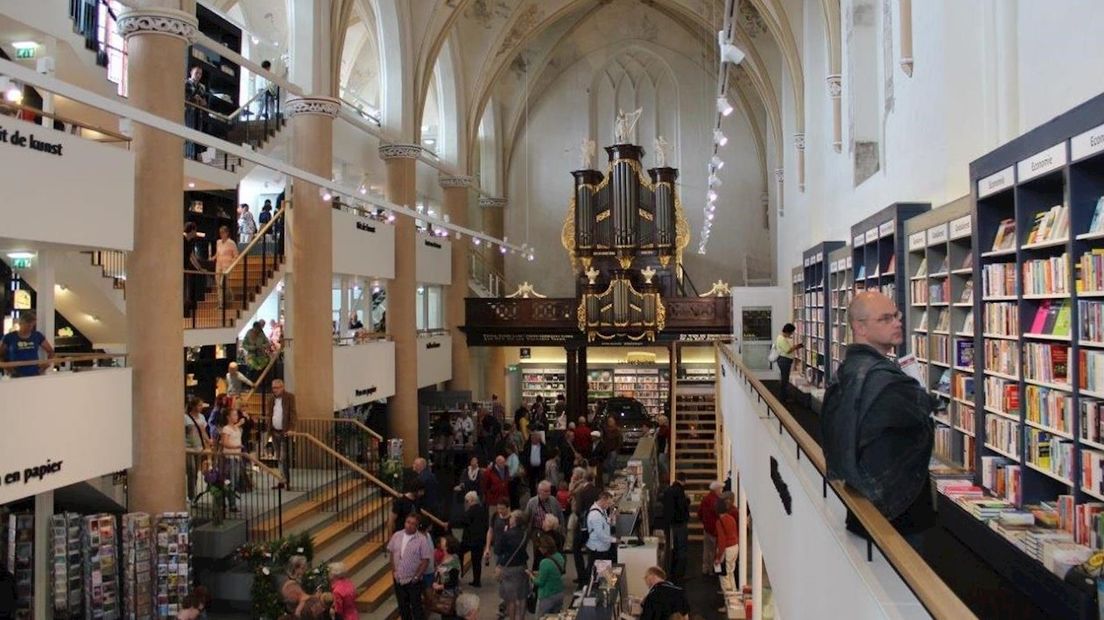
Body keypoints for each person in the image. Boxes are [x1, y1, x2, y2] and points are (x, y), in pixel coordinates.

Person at [821, 291, 936, 549]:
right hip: (895, 511)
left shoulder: (851, 369)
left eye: (896, 315)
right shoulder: (881, 379)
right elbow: (921, 420)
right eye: (885, 319)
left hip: (865, 498)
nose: (897, 323)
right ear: (860, 328)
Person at [388, 514, 433, 620]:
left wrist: (417, 577)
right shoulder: (397, 535)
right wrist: (393, 571)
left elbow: (425, 560)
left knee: (416, 607)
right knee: (403, 607)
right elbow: (392, 553)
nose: (409, 525)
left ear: (417, 526)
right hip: (398, 578)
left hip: (414, 580)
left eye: (413, 524)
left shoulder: (422, 539)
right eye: (408, 522)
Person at [493, 510, 529, 620]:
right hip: (522, 566)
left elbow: (497, 550)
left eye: (511, 517)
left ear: (515, 520)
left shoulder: (506, 534)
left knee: (510, 599)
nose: (509, 518)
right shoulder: (525, 534)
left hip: (508, 568)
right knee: (522, 596)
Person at [1, 312, 54, 377]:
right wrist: (9, 369)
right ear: (20, 324)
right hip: (15, 374)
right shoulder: (9, 337)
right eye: (28, 325)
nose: (30, 328)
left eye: (32, 326)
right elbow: (1, 355)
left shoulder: (37, 335)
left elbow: (51, 352)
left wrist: (45, 366)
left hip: (35, 373)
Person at [451, 491, 487, 586]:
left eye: (466, 501)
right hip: (480, 540)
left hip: (469, 540)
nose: (465, 503)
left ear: (471, 500)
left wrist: (450, 523)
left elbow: (462, 521)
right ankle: (477, 581)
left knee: (459, 553)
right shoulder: (482, 510)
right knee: (477, 562)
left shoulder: (470, 511)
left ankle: (459, 573)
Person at [660, 472, 691, 584]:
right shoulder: (680, 491)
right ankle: (680, 574)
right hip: (680, 524)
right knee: (682, 549)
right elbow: (682, 507)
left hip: (670, 524)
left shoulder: (668, 490)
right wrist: (688, 501)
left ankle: (672, 573)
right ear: (684, 480)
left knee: (674, 548)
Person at [570, 470, 600, 585]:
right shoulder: (598, 491)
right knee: (592, 551)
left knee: (576, 549)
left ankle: (581, 575)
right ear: (593, 479)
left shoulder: (580, 492)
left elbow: (577, 510)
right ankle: (590, 574)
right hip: (595, 526)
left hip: (583, 525)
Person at [265, 379, 296, 486]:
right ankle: (282, 480)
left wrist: (291, 428)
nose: (275, 390)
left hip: (285, 432)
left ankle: (286, 480)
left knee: (284, 457)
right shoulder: (270, 399)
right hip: (274, 432)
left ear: (282, 387)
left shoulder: (289, 397)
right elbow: (269, 414)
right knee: (278, 457)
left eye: (277, 388)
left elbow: (293, 414)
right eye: (273, 388)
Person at [529, 535, 566, 615]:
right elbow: (553, 572)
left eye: (540, 547)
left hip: (547, 596)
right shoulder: (560, 557)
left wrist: (531, 576)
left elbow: (540, 582)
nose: (539, 549)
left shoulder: (544, 562)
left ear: (545, 548)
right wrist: (539, 572)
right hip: (559, 593)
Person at [184, 396, 212, 502]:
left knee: (195, 471)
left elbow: (203, 431)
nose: (201, 407)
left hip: (199, 447)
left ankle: (193, 492)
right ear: (194, 406)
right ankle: (191, 494)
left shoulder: (202, 417)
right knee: (191, 469)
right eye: (199, 405)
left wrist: (208, 441)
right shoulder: (185, 417)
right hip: (188, 447)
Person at [584, 491, 616, 581]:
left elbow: (604, 523)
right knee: (605, 577)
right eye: (608, 503)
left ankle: (604, 587)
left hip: (602, 547)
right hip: (598, 549)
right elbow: (600, 535)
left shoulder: (602, 510)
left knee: (604, 575)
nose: (609, 505)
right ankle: (603, 589)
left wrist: (610, 519)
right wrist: (614, 540)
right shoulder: (595, 515)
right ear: (603, 500)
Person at [220, 407, 245, 511]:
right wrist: (237, 447)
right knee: (231, 481)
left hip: (237, 457)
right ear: (228, 417)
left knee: (235, 480)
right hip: (230, 457)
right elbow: (225, 443)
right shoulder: (226, 429)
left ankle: (229, 501)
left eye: (236, 415)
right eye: (234, 415)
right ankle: (231, 504)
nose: (236, 417)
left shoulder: (236, 428)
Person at [714, 493, 739, 592]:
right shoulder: (731, 518)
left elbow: (721, 540)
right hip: (735, 547)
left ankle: (729, 602)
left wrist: (718, 557)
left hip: (727, 549)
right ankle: (734, 597)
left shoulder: (720, 521)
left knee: (724, 577)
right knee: (730, 573)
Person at [697, 481, 722, 576]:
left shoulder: (705, 499)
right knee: (715, 550)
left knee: (706, 550)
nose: (721, 491)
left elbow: (699, 512)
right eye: (720, 489)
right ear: (716, 489)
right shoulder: (717, 501)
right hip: (715, 529)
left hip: (707, 528)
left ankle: (705, 568)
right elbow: (719, 514)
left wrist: (704, 522)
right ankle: (713, 569)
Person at [210, 224, 238, 309]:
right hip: (219, 265)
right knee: (219, 284)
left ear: (227, 233)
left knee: (223, 283)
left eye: (223, 233)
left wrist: (232, 263)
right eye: (220, 233)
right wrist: (213, 258)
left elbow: (236, 255)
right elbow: (218, 253)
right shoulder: (218, 242)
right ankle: (220, 303)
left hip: (227, 266)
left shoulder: (231, 243)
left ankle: (227, 298)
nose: (221, 234)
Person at [774, 323, 804, 402]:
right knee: (785, 379)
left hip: (784, 361)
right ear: (788, 331)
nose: (791, 334)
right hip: (784, 361)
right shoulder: (782, 339)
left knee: (785, 378)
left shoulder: (781, 338)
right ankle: (783, 398)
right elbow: (788, 350)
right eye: (791, 332)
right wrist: (797, 346)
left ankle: (783, 396)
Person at [184, 65, 207, 159]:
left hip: (198, 112)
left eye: (200, 74)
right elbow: (186, 97)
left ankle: (195, 155)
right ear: (191, 73)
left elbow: (204, 101)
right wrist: (195, 99)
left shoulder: (202, 87)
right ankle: (188, 155)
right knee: (189, 131)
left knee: (197, 133)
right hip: (189, 111)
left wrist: (199, 100)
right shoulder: (186, 83)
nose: (198, 75)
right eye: (196, 73)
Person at [523, 432, 548, 499]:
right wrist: (525, 466)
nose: (534, 439)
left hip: (540, 468)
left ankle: (541, 496)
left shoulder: (543, 447)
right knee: (532, 484)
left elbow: (546, 456)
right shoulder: (527, 446)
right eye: (533, 438)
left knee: (541, 483)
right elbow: (524, 456)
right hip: (531, 468)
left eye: (536, 438)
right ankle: (533, 497)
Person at [601, 415, 622, 480]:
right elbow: (603, 439)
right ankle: (609, 477)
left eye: (611, 421)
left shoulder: (617, 430)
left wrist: (617, 449)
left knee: (611, 464)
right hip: (607, 450)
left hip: (614, 450)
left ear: (614, 422)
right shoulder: (605, 430)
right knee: (606, 464)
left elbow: (619, 440)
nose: (610, 422)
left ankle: (611, 477)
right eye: (609, 421)